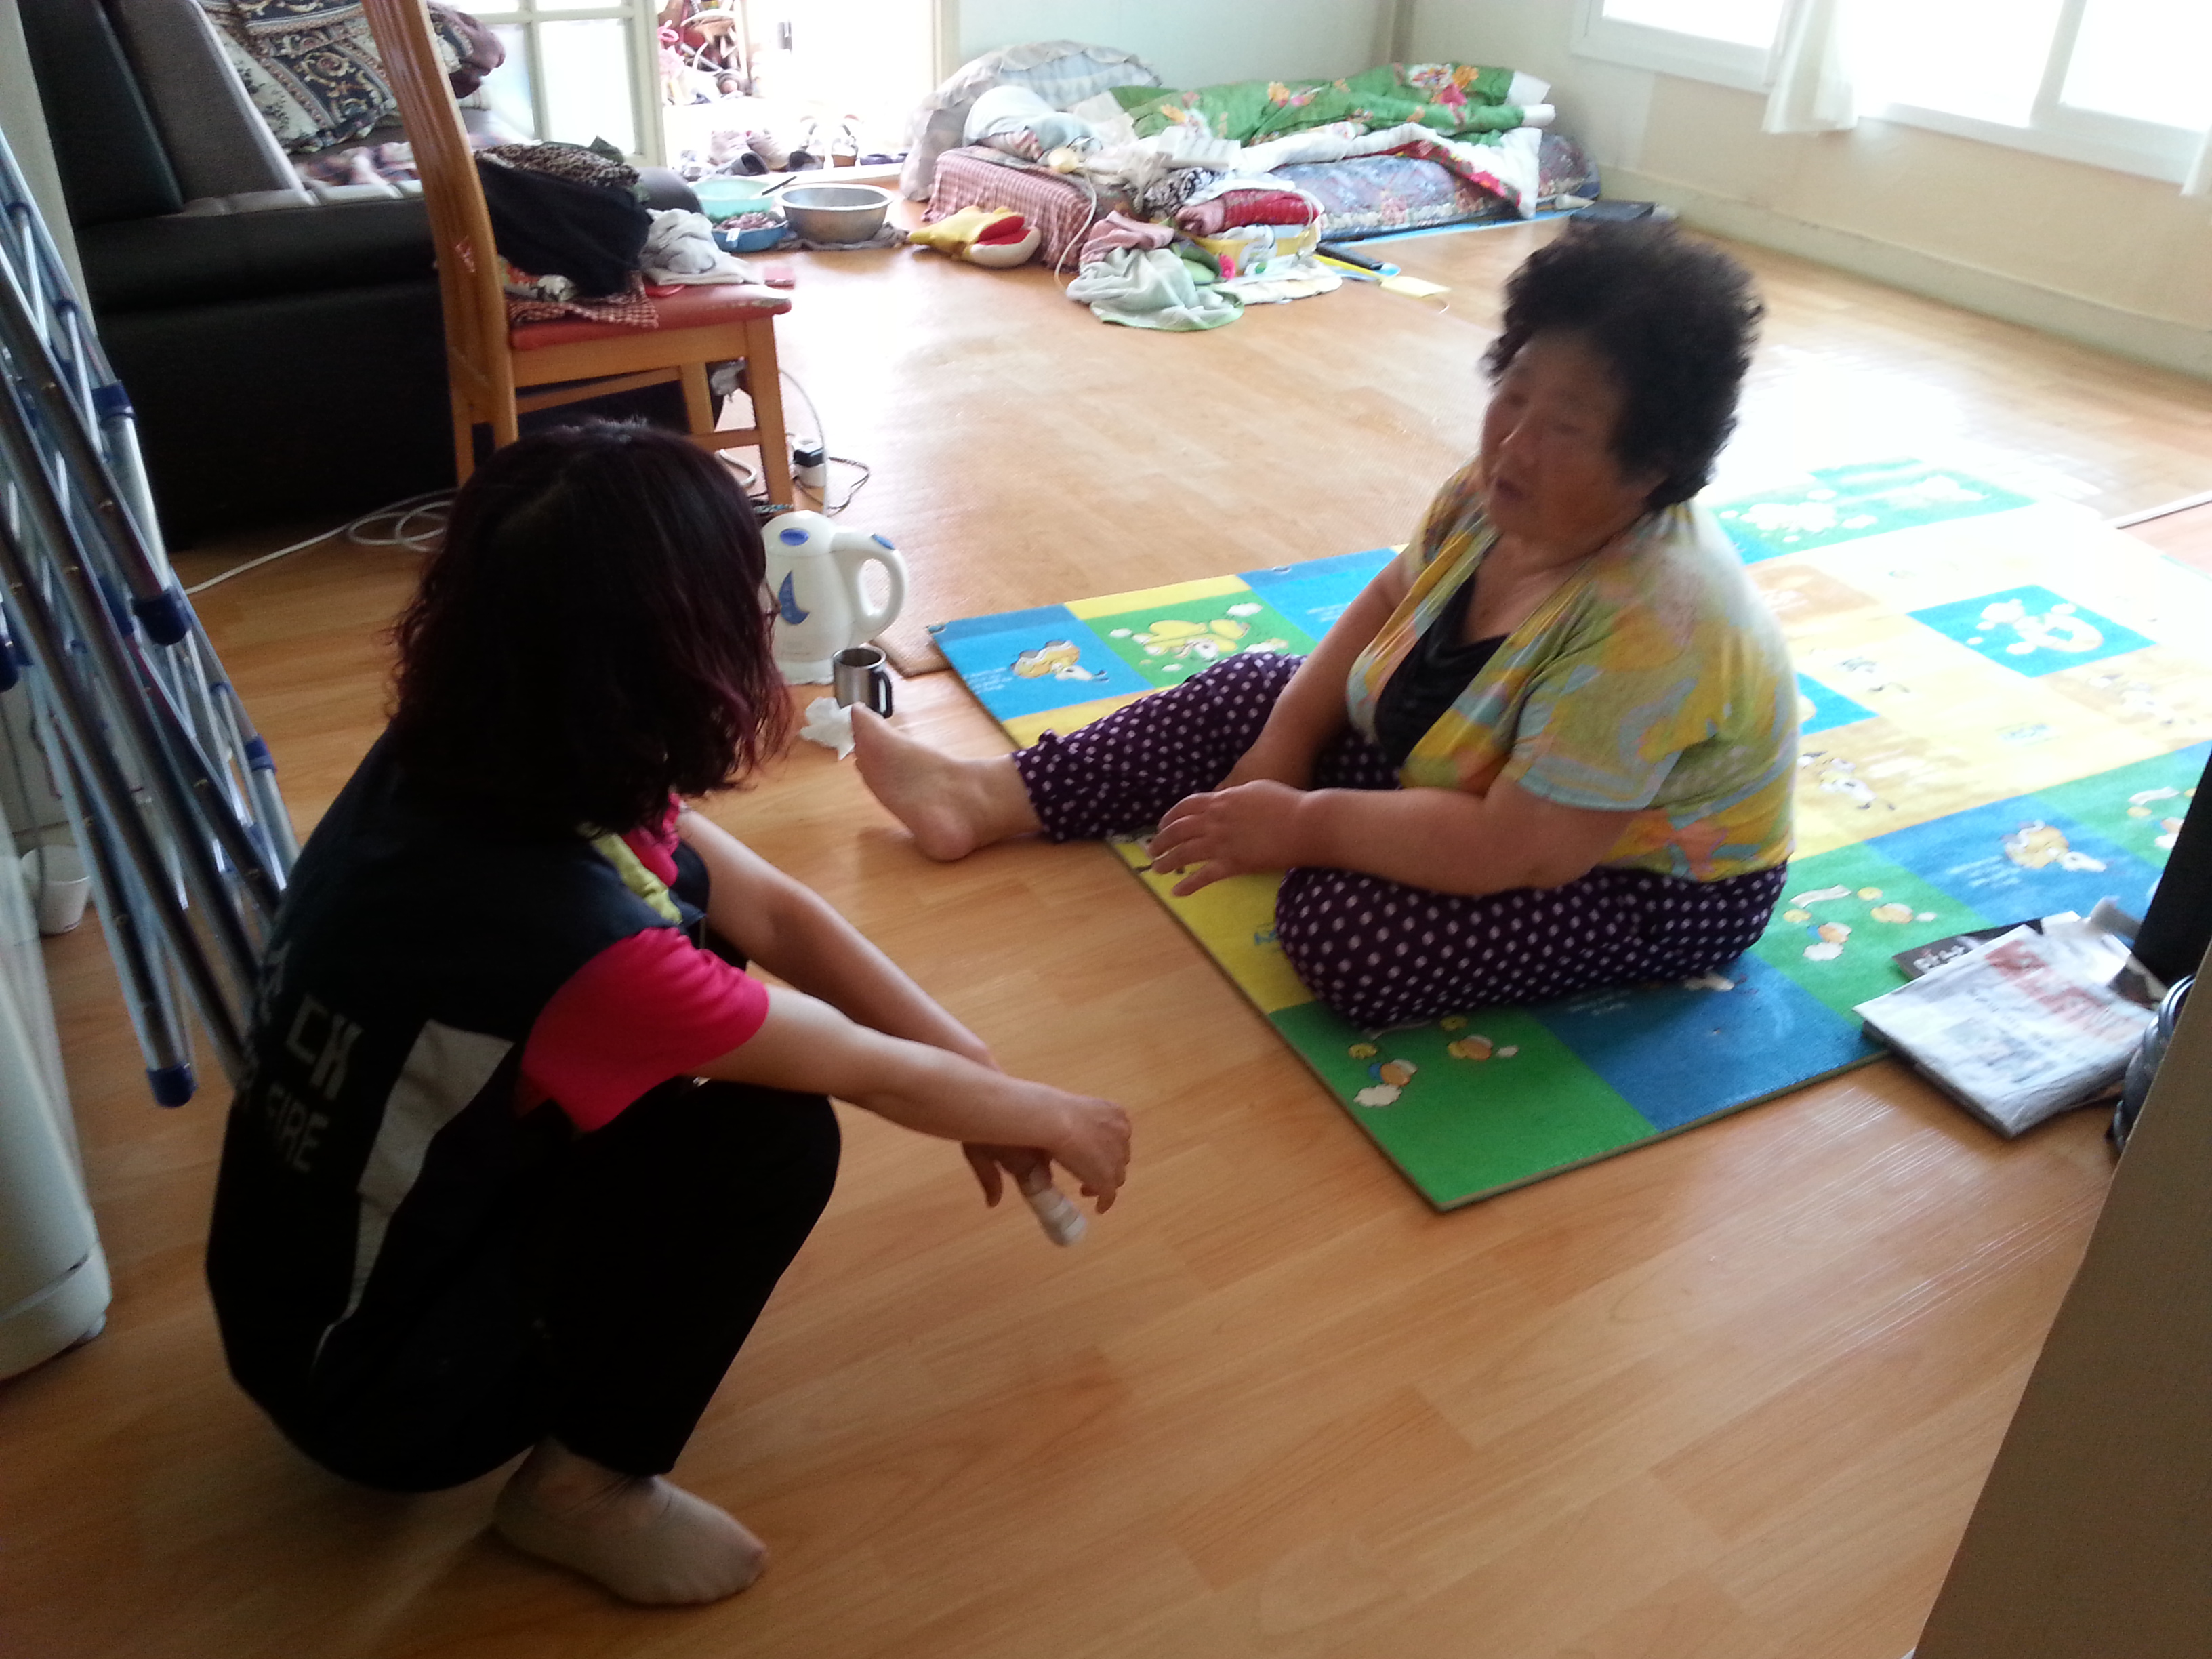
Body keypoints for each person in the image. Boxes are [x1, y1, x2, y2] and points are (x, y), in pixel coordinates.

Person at [203, 424, 1129, 1607]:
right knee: (770, 1140)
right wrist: (1048, 1112)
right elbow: (857, 1067)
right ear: (659, 660)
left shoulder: (481, 743)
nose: (765, 621)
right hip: (383, 1395)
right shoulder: (579, 946)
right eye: (746, 601)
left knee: (696, 993)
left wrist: (975, 1071)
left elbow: (774, 912)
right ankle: (581, 1487)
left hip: (288, 1295)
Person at [857, 221, 1796, 1030]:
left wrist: (1306, 823)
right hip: (1470, 778)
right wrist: (1282, 750)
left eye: (1567, 429)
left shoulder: (1659, 622)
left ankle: (1355, 842)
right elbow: (1389, 603)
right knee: (1256, 691)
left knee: (1346, 935)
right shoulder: (1492, 493)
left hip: (1626, 876)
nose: (1514, 443)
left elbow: (1522, 850)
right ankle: (984, 797)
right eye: (1513, 394)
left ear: (1650, 466)